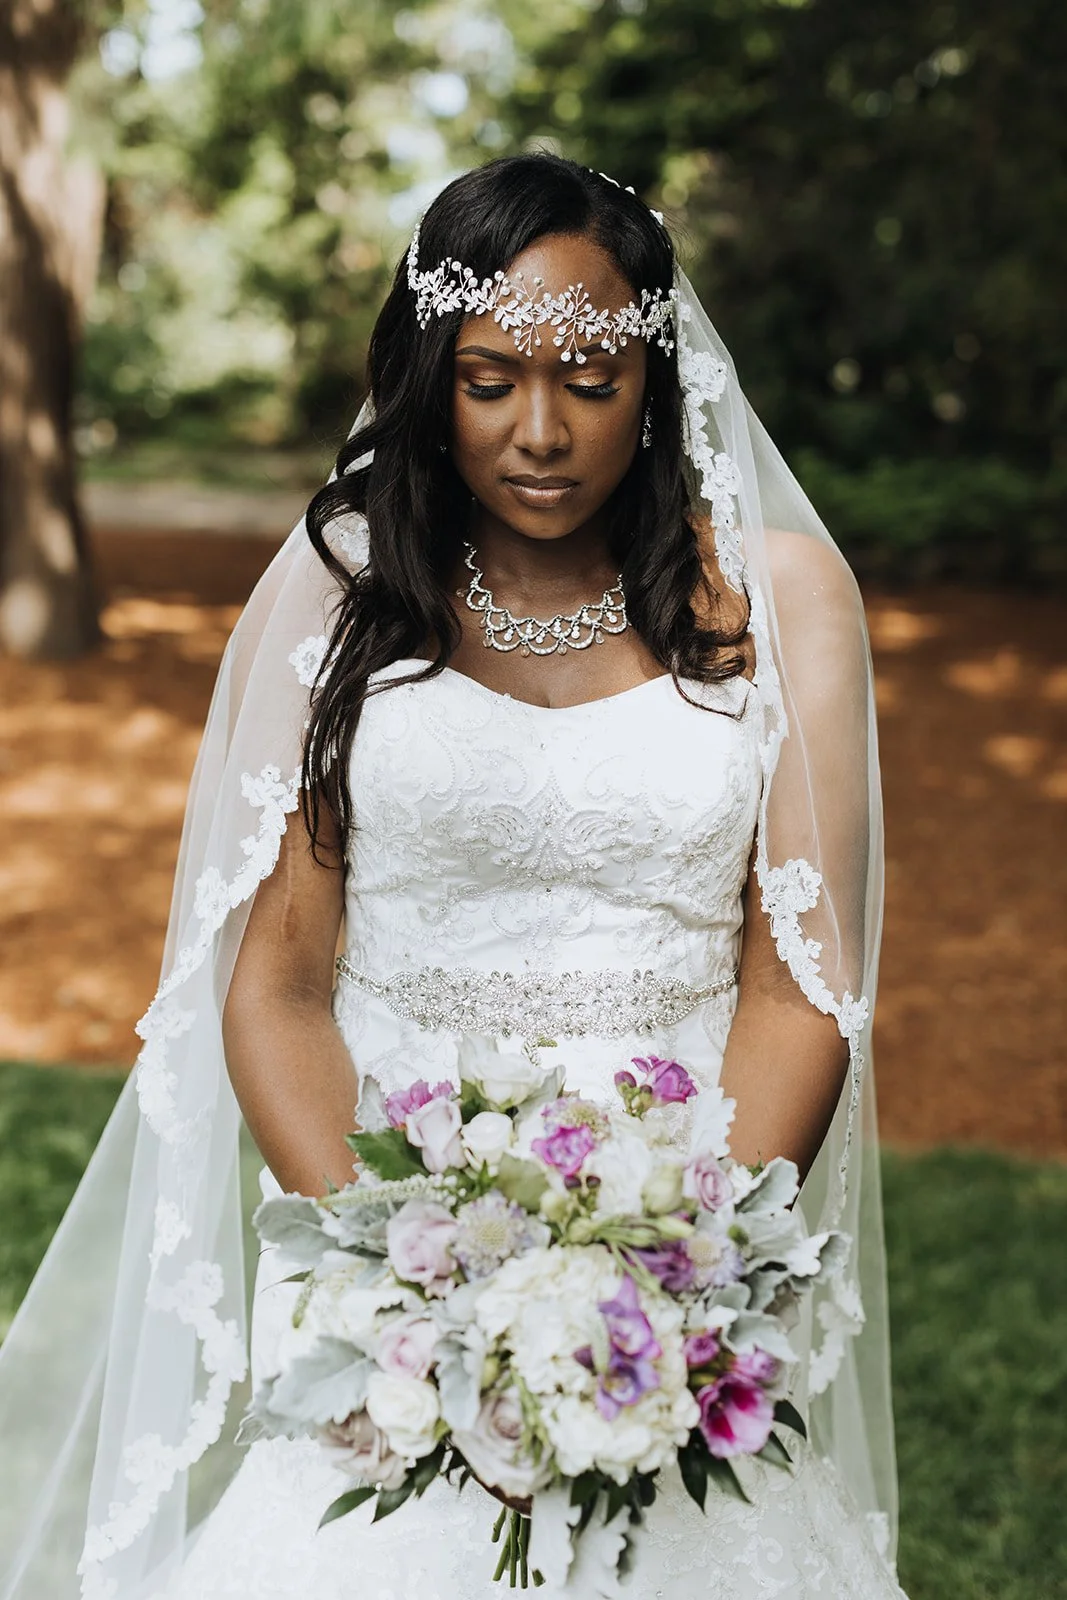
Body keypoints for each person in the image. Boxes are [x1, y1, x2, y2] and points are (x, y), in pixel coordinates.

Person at [0, 154, 908, 1599]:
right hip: (386, 1229)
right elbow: (280, 992)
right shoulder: (344, 584)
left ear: (656, 382)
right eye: (489, 381)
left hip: (683, 1230)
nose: (536, 434)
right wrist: (409, 1274)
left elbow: (802, 987)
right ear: (432, 377)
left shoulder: (785, 601)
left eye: (589, 384)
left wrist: (678, 1284)